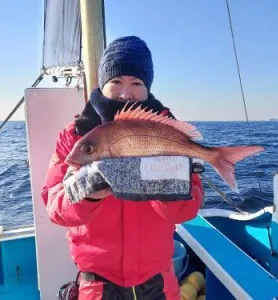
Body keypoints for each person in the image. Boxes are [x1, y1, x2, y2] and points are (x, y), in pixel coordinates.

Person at [41, 36, 204, 300]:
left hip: (159, 283)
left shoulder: (167, 131)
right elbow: (54, 206)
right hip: (97, 287)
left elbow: (189, 208)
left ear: (148, 89)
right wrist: (86, 194)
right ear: (102, 83)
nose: (126, 93)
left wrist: (167, 189)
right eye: (116, 81)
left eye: (136, 83)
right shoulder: (76, 137)